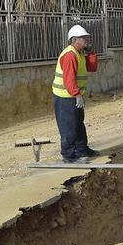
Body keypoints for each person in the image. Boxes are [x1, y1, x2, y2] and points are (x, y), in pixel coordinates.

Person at [52, 24, 99, 163]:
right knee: (69, 126)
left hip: (74, 96)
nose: (87, 40)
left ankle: (82, 149)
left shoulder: (79, 53)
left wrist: (91, 53)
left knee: (78, 123)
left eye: (86, 38)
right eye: (83, 38)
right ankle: (68, 155)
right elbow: (69, 78)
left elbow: (92, 67)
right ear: (74, 40)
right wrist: (76, 94)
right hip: (66, 97)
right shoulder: (70, 55)